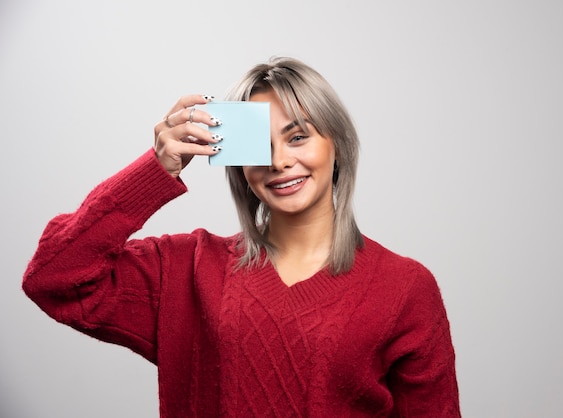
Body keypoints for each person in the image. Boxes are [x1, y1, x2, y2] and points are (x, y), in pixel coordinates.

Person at [23, 57, 460, 417]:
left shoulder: (405, 289)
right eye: (259, 144)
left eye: (299, 137)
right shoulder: (188, 268)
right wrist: (154, 172)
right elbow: (53, 276)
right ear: (237, 161)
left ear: (338, 146)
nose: (279, 160)